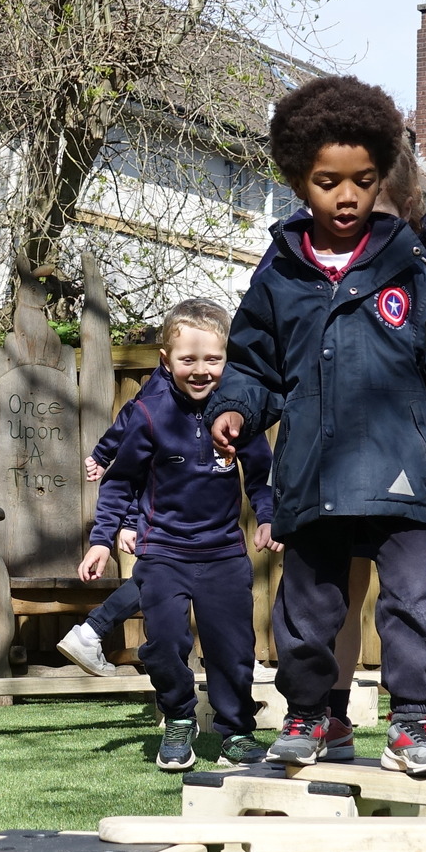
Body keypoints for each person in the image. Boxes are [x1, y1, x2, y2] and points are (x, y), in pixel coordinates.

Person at [209, 75, 426, 777]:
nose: (346, 197)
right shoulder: (279, 276)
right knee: (307, 611)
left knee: (410, 601)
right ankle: (311, 716)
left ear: (380, 178)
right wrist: (234, 407)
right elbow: (253, 364)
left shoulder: (410, 270)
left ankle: (415, 723)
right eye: (327, 182)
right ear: (297, 180)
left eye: (363, 181)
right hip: (312, 475)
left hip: (404, 470)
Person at [80, 298, 277, 771]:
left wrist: (269, 517)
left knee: (233, 648)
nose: (202, 370)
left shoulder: (237, 412)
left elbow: (262, 475)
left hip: (223, 553)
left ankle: (236, 731)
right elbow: (121, 480)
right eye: (188, 360)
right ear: (166, 360)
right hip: (162, 551)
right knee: (164, 643)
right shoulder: (151, 414)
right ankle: (179, 720)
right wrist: (102, 539)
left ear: (227, 359)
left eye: (213, 359)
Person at [56, 372, 166, 677]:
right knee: (159, 576)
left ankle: (95, 633)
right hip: (159, 515)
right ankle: (93, 632)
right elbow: (136, 468)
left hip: (187, 514)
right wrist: (124, 524)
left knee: (171, 579)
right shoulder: (161, 391)